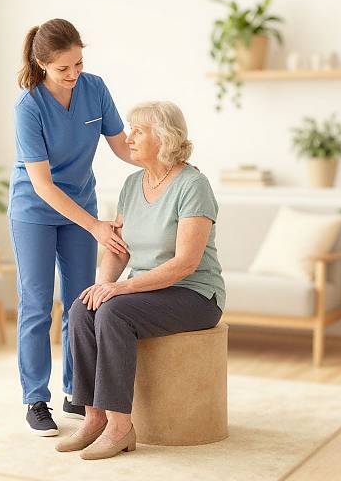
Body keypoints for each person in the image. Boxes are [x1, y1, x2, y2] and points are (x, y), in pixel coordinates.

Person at [55, 101, 225, 459]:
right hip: (147, 291)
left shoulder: (193, 185)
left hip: (194, 294)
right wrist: (103, 284)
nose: (127, 137)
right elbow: (119, 249)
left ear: (163, 138)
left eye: (138, 130)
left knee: (115, 313)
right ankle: (94, 418)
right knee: (85, 307)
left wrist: (122, 288)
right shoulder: (133, 184)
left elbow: (185, 264)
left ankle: (120, 428)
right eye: (129, 129)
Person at [8, 18, 138, 436]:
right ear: (42, 63)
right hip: (36, 211)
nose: (74, 74)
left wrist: (165, 160)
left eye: (78, 63)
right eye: (64, 68)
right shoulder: (29, 107)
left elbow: (122, 146)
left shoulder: (95, 88)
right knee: (37, 304)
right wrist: (97, 226)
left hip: (81, 206)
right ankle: (35, 399)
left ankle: (76, 391)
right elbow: (43, 185)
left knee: (82, 303)